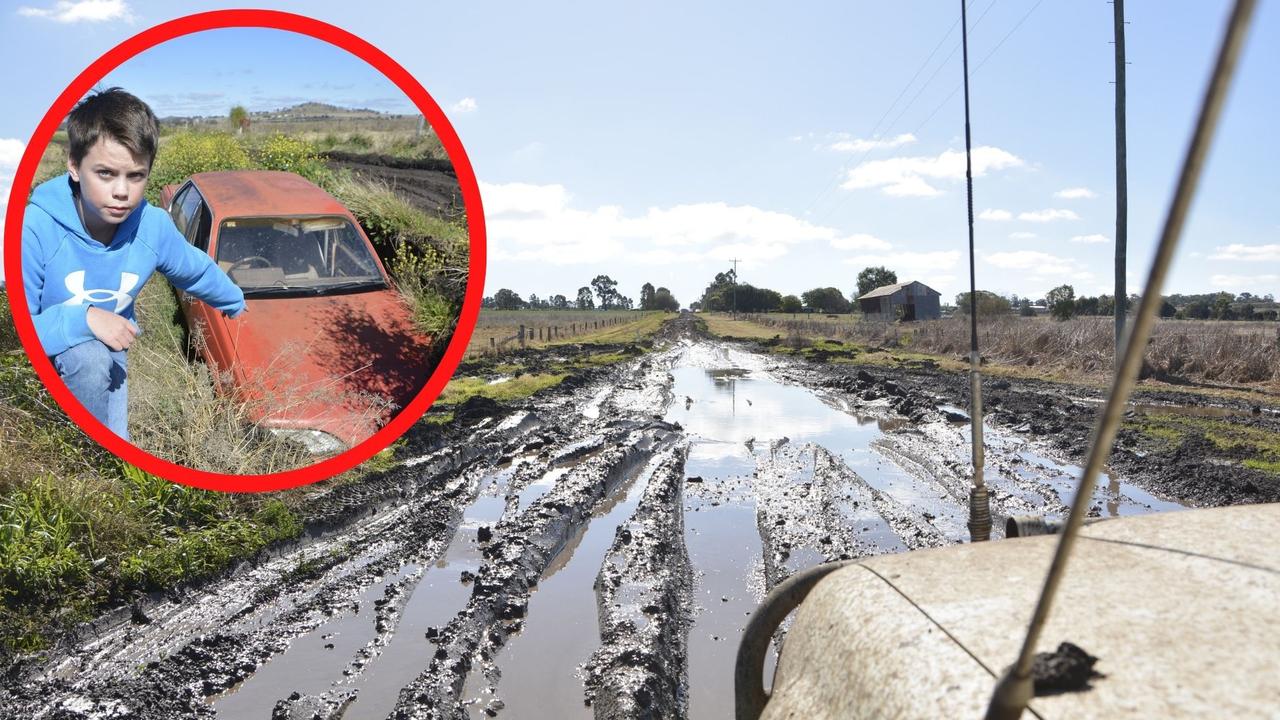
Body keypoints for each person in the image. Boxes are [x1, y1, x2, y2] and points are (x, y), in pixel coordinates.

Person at [21, 87, 246, 441]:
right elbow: (22, 327)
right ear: (74, 166)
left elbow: (194, 268)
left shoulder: (152, 225)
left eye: (135, 176)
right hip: (55, 350)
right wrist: (84, 318)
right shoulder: (34, 227)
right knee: (89, 366)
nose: (122, 192)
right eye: (106, 174)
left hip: (113, 351)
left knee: (115, 437)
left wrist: (235, 301)